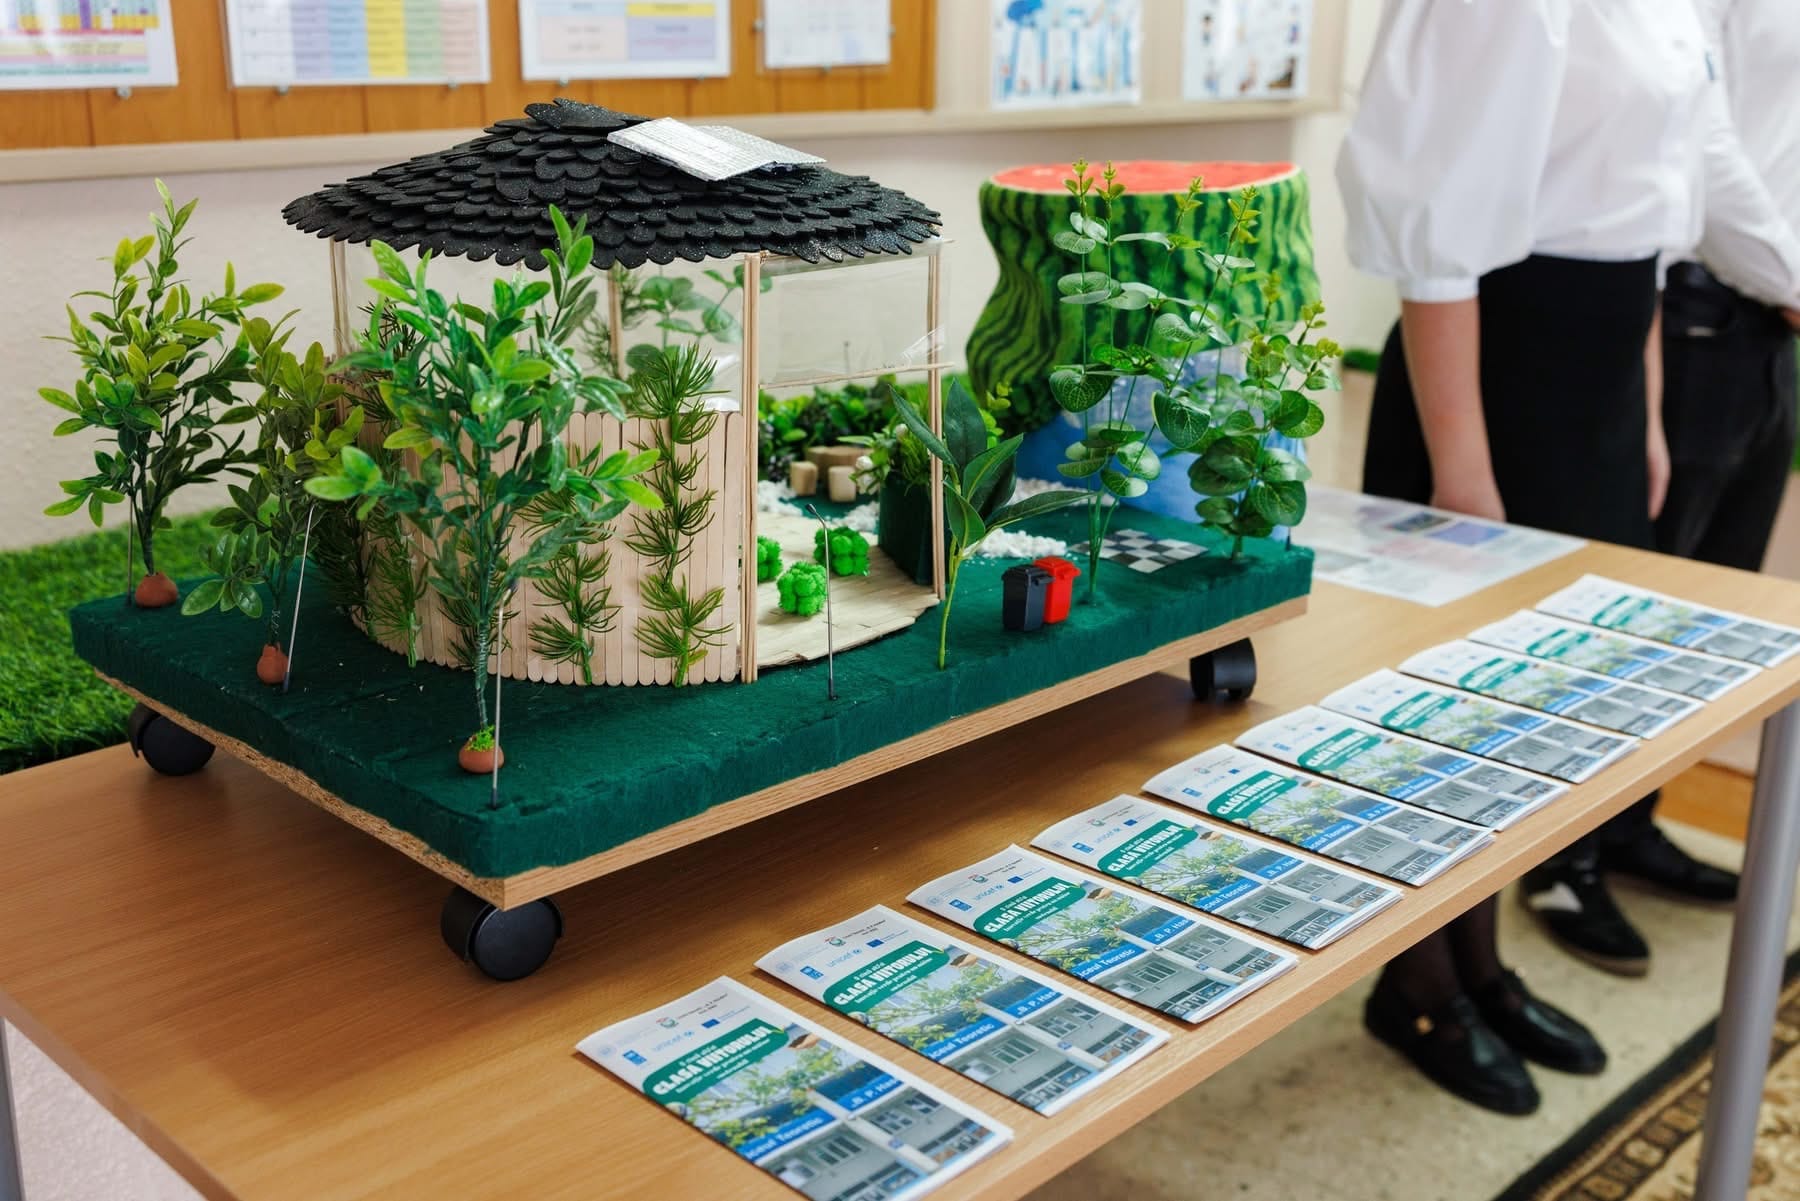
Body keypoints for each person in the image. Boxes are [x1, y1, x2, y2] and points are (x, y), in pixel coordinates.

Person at [1336, 0, 1717, 1113]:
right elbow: (1435, 237)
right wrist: (1464, 482)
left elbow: (1648, 220)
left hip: (1599, 377)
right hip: (1497, 381)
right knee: (1453, 712)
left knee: (1529, 716)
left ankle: (1483, 965)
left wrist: (1644, 417)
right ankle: (1417, 983)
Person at [1520, 0, 1800, 976]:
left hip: (1769, 325)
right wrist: (1791, 276)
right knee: (1630, 620)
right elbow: (1704, 144)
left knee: (1701, 623)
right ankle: (1560, 858)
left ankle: (1630, 820)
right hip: (1700, 310)